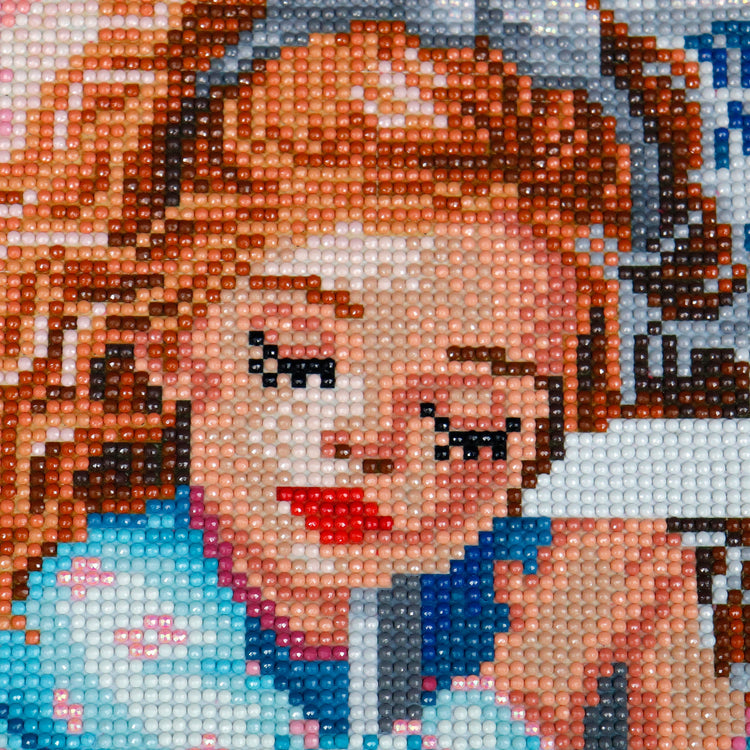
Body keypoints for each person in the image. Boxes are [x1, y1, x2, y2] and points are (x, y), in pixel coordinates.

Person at [0, 3, 748, 750]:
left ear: (547, 438)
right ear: (171, 342)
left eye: (465, 418)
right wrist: (534, 687)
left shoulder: (535, 576)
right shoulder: (96, 610)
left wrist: (668, 660)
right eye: (296, 359)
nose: (367, 439)